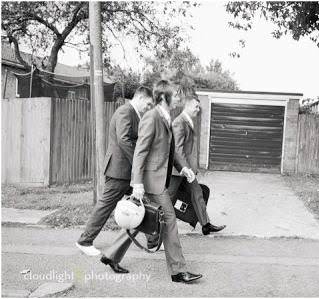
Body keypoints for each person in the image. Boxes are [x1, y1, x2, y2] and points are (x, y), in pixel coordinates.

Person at [102, 80, 202, 283]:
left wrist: (184, 168)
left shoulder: (165, 117)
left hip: (156, 179)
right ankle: (178, 271)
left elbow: (168, 151)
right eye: (176, 95)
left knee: (147, 219)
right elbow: (140, 152)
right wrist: (137, 183)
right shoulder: (152, 117)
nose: (180, 99)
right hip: (150, 181)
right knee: (169, 220)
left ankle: (111, 254)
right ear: (164, 97)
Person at [75, 86, 153, 269]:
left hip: (126, 171)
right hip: (119, 171)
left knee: (144, 202)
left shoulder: (134, 113)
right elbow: (124, 140)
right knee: (106, 205)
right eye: (148, 104)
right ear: (140, 98)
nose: (148, 107)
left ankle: (153, 239)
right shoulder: (125, 111)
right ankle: (84, 241)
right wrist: (138, 165)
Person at [167, 94, 226, 235]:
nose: (198, 109)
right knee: (167, 199)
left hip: (187, 170)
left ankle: (205, 225)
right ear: (187, 106)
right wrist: (185, 168)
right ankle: (152, 227)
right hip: (178, 171)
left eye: (199, 107)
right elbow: (177, 150)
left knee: (197, 192)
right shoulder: (179, 122)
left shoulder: (187, 122)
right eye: (195, 106)